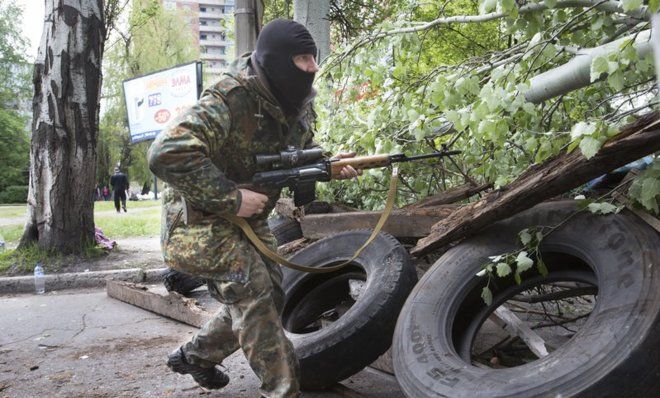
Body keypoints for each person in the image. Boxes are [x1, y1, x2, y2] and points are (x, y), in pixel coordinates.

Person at [147, 19, 360, 398]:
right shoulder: (229, 98)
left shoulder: (292, 99)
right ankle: (282, 391)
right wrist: (231, 197)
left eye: (314, 58)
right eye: (302, 59)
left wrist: (327, 165)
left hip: (246, 220)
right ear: (276, 60)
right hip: (197, 222)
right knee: (254, 289)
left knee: (272, 294)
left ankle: (195, 357)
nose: (312, 67)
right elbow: (166, 153)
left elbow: (288, 158)